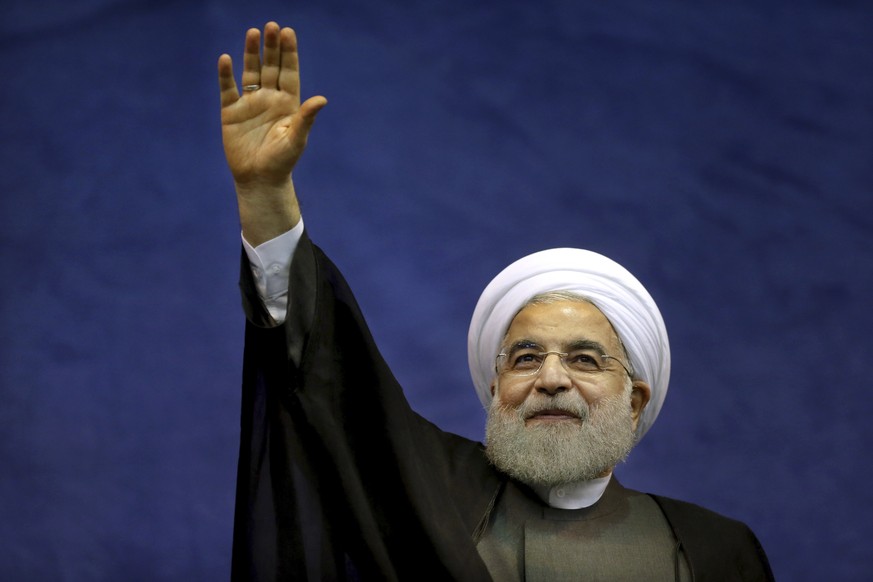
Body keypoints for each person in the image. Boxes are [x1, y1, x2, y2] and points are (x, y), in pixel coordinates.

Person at [218, 22, 774, 581]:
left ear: (634, 399)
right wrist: (265, 197)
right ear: (494, 391)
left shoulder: (714, 551)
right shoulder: (429, 496)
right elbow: (327, 381)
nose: (551, 378)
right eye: (526, 358)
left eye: (584, 359)